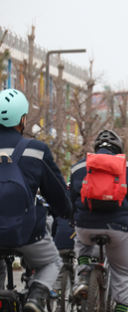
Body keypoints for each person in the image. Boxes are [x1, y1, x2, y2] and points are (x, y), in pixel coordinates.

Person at [0, 88, 72, 312]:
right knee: (52, 262)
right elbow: (59, 198)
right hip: (26, 232)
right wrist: (68, 212)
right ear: (22, 118)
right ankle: (35, 297)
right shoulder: (36, 150)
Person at [70, 129, 128, 312]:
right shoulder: (126, 167)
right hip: (117, 227)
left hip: (85, 225)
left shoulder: (78, 167)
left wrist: (72, 219)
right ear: (119, 149)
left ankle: (83, 275)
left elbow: (71, 199)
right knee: (122, 272)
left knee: (82, 245)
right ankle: (120, 309)